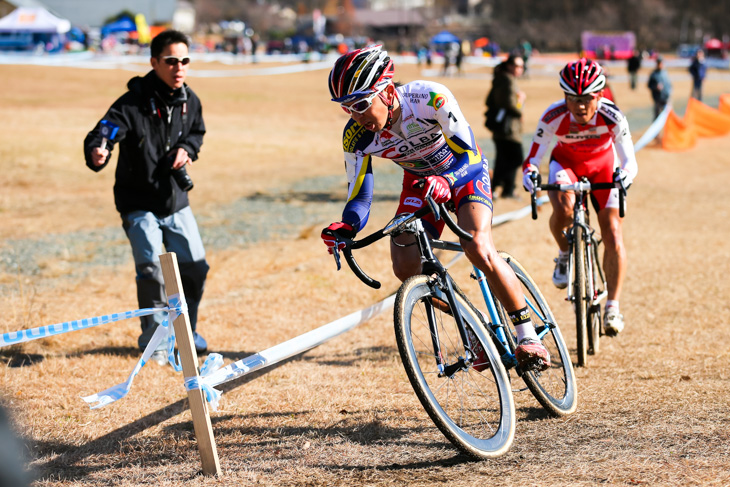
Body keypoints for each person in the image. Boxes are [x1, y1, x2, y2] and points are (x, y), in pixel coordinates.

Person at [321, 45, 550, 370]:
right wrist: (346, 226)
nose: (356, 116)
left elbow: (469, 153)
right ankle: (473, 327)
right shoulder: (355, 136)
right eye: (347, 108)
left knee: (478, 246)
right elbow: (360, 195)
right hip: (419, 184)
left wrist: (448, 181)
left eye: (360, 104)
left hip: (463, 171)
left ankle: (528, 336)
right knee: (405, 267)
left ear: (386, 91)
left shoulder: (429, 98)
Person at [83, 30, 210, 353]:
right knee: (151, 268)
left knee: (195, 267)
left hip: (175, 201)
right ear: (154, 62)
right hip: (138, 203)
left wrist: (187, 150)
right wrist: (98, 149)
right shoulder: (132, 102)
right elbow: (104, 132)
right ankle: (153, 341)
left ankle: (187, 333)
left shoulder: (189, 101)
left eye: (184, 60)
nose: (179, 67)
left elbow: (196, 133)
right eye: (170, 61)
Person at [522, 58, 638, 336]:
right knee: (562, 211)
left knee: (612, 232)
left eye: (587, 98)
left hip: (603, 169)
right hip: (566, 166)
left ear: (599, 95)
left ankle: (612, 306)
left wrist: (625, 176)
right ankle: (564, 252)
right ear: (564, 97)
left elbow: (629, 161)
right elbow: (532, 159)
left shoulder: (613, 116)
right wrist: (530, 176)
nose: (580, 106)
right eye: (572, 99)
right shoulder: (553, 116)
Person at [485, 54, 526, 199]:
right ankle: (498, 187)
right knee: (515, 157)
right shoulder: (507, 80)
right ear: (509, 66)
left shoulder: (503, 78)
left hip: (504, 127)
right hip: (507, 127)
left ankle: (505, 188)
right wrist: (520, 101)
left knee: (505, 157)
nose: (519, 69)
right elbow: (510, 105)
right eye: (516, 66)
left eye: (521, 66)